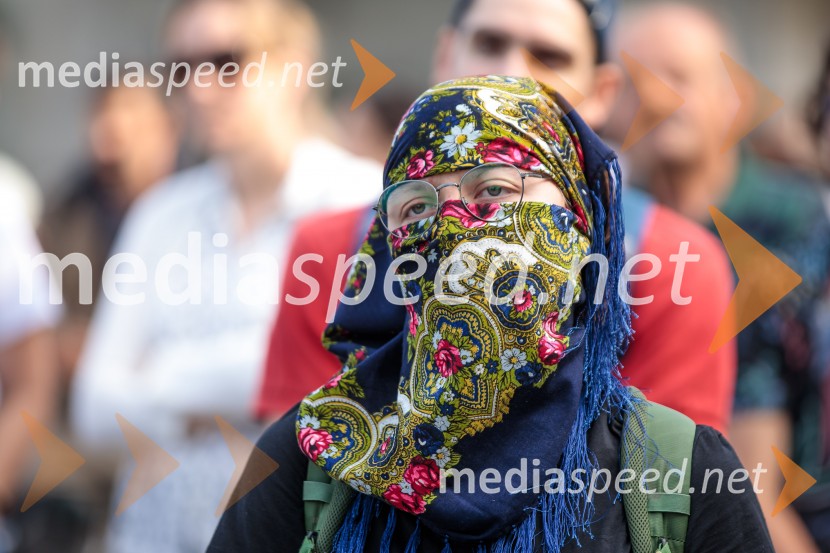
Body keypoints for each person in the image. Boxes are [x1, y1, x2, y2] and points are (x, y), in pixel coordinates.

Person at [209, 75, 771, 553]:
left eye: (495, 191)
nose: (454, 226)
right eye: (416, 207)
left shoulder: (677, 473)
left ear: (580, 221)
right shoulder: (314, 459)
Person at [255, 0, 737, 435]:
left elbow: (663, 481)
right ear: (445, 58)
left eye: (550, 57)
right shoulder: (331, 248)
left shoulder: (675, 263)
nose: (511, 72)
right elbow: (295, 469)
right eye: (490, 43)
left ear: (603, 91)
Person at [68, 0, 380, 551]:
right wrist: (249, 382)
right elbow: (93, 408)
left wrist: (162, 373)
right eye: (182, 67)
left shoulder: (360, 202)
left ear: (296, 65)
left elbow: (336, 383)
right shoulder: (162, 212)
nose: (200, 86)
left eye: (226, 60)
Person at [605, 4, 830, 551]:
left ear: (736, 99)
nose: (656, 98)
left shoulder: (795, 219)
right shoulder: (599, 236)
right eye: (637, 82)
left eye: (679, 77)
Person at [39, 82, 179, 380]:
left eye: (132, 116)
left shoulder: (202, 209)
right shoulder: (65, 216)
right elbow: (35, 333)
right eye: (103, 115)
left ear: (169, 129)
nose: (113, 129)